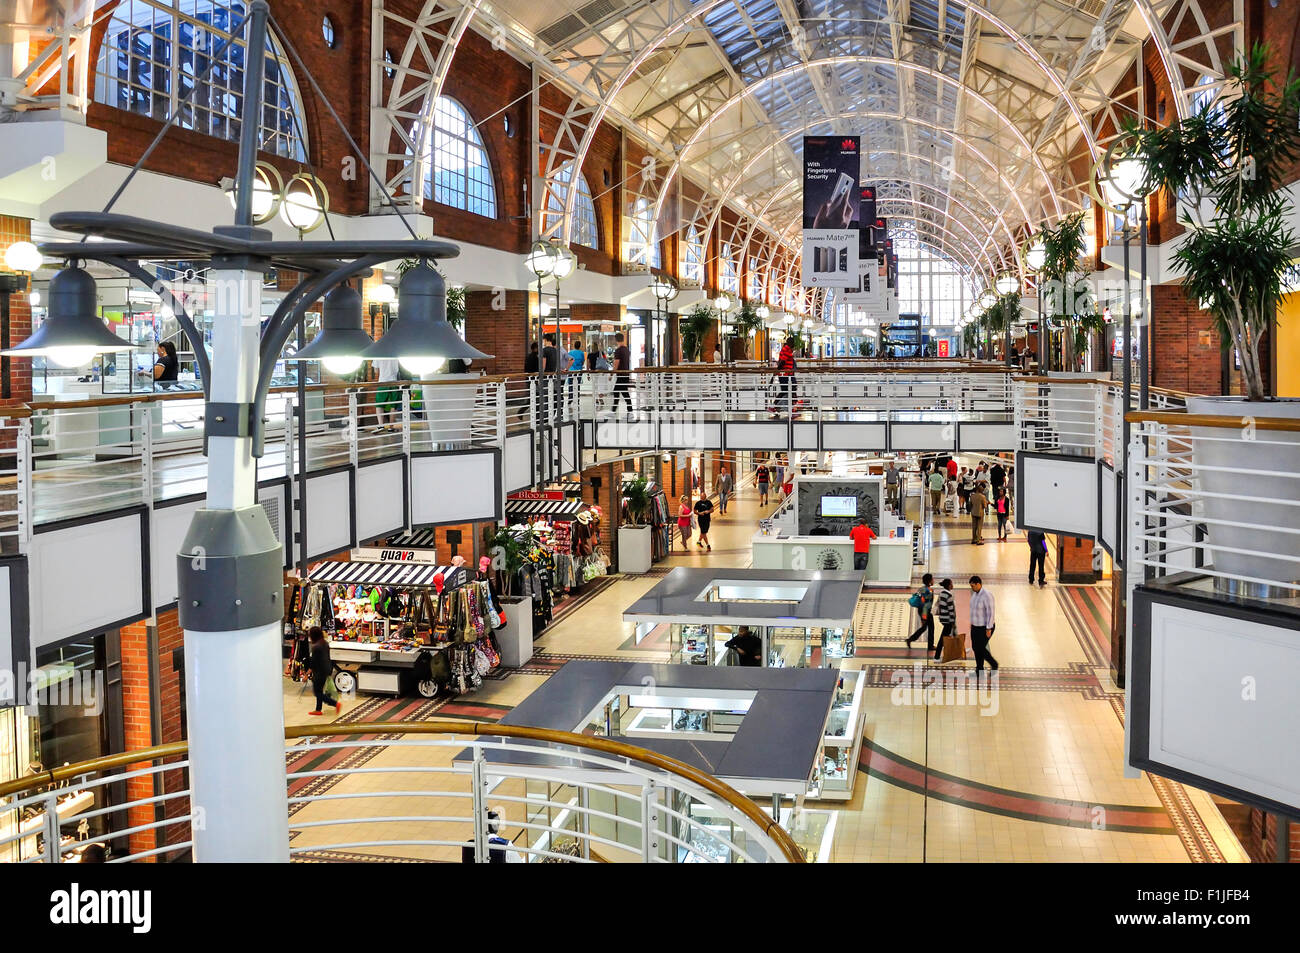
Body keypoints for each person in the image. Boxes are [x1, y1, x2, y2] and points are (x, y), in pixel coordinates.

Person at [968, 575, 999, 677]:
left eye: (973, 586)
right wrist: (971, 623)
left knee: (980, 648)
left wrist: (989, 628)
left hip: (984, 627)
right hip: (975, 626)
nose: (971, 588)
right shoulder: (975, 595)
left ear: (978, 584)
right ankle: (979, 670)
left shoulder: (987, 595)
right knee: (975, 647)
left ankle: (994, 664)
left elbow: (991, 612)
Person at [307, 626, 341, 716]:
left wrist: (307, 674)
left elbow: (313, 662)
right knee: (319, 690)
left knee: (317, 692)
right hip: (326, 669)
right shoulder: (325, 643)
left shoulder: (316, 647)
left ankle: (335, 704)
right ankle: (318, 710)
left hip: (319, 672)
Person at [906, 573, 935, 652]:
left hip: (920, 610)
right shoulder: (929, 591)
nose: (933, 580)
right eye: (932, 579)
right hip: (925, 612)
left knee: (924, 628)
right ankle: (930, 646)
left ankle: (910, 639)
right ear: (929, 581)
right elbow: (926, 605)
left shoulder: (922, 589)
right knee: (931, 628)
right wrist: (924, 617)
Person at [373, 357, 400, 432]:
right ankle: (391, 427)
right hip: (394, 381)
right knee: (393, 405)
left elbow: (376, 371)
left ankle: (381, 426)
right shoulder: (396, 353)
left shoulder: (378, 354)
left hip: (382, 381)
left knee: (379, 404)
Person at [771, 336, 796, 417]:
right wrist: (777, 371)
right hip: (784, 374)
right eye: (792, 342)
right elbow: (782, 361)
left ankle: (791, 407)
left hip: (787, 373)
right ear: (789, 343)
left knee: (791, 389)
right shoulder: (786, 349)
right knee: (786, 390)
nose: (793, 344)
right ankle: (774, 406)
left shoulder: (787, 349)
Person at [933, 577, 956, 661]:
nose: (953, 585)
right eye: (952, 583)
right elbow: (951, 609)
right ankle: (937, 656)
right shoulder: (949, 595)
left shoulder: (941, 593)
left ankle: (958, 651)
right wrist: (953, 621)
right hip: (948, 619)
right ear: (949, 585)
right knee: (943, 639)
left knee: (950, 635)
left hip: (942, 618)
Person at [612, 332, 634, 417]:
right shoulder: (626, 350)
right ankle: (628, 411)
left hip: (620, 374)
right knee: (622, 392)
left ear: (616, 340)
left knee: (619, 392)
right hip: (626, 373)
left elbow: (616, 363)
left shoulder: (618, 350)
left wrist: (612, 373)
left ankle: (615, 412)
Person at [566, 337, 585, 403]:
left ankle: (570, 399)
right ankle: (577, 398)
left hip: (571, 371)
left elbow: (568, 361)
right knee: (577, 385)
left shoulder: (570, 352)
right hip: (578, 371)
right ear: (580, 346)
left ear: (574, 345)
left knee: (570, 385)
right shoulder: (581, 353)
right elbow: (583, 362)